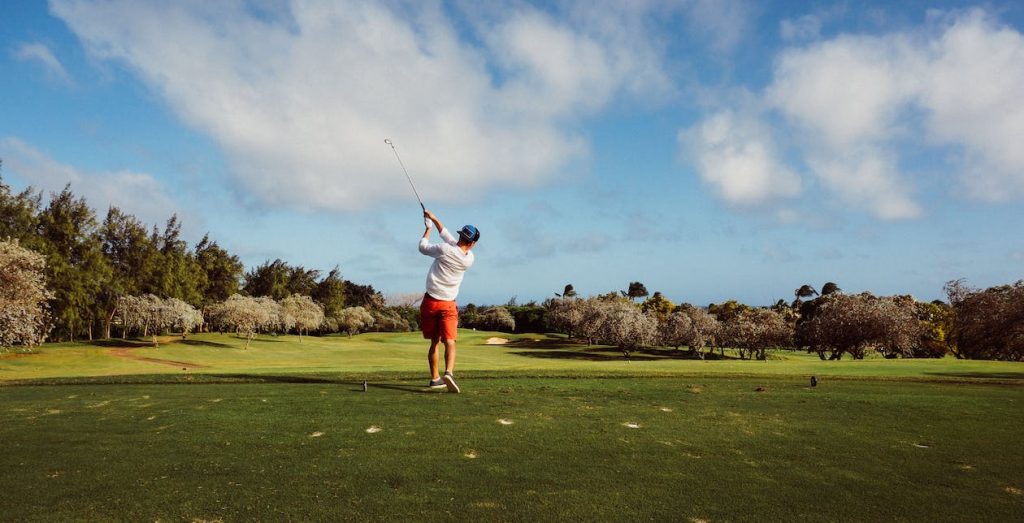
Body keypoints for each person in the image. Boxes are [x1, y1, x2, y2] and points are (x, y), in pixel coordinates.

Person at [418, 209, 479, 393]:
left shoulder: (445, 250)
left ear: (462, 236)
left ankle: (435, 378)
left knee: (434, 342)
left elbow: (423, 247)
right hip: (448, 304)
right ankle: (449, 373)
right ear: (473, 243)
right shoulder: (469, 259)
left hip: (430, 302)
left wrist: (428, 228)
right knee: (450, 341)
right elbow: (448, 238)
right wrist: (434, 219)